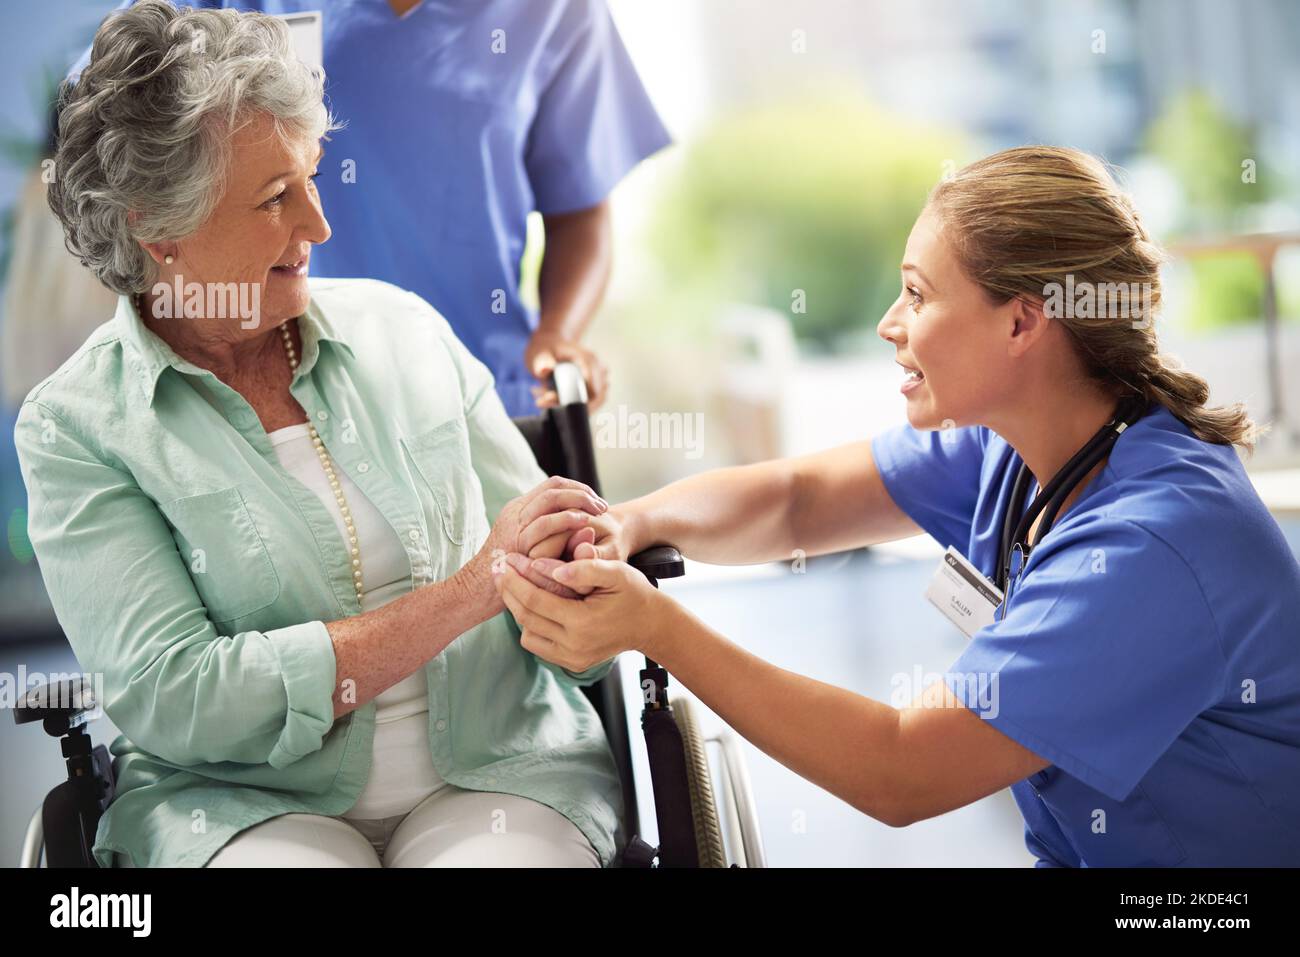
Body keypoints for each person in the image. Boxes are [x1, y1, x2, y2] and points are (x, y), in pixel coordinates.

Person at [493, 146, 1300, 867]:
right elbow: (798, 503)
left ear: (1023, 320)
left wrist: (655, 627)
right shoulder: (1018, 447)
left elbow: (900, 770)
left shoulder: (1152, 548)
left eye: (918, 295)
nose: (889, 323)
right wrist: (633, 521)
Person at [17, 0, 623, 868]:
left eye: (312, 178)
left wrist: (574, 574)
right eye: (274, 198)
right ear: (157, 226)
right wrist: (466, 592)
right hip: (238, 805)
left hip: (500, 773)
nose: (319, 226)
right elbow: (182, 696)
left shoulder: (405, 331)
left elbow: (545, 564)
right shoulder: (79, 427)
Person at [67, 0, 673, 417]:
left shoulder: (552, 13)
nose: (318, 225)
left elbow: (581, 209)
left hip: (486, 383)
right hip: (280, 387)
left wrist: (557, 335)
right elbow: (113, 131)